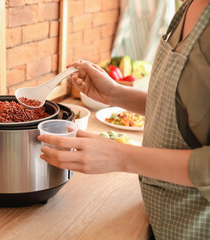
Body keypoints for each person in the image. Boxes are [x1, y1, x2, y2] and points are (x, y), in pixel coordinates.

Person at [38, 0, 210, 239]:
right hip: (160, 214)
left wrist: (121, 156)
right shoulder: (188, 6)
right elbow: (189, 109)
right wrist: (116, 94)